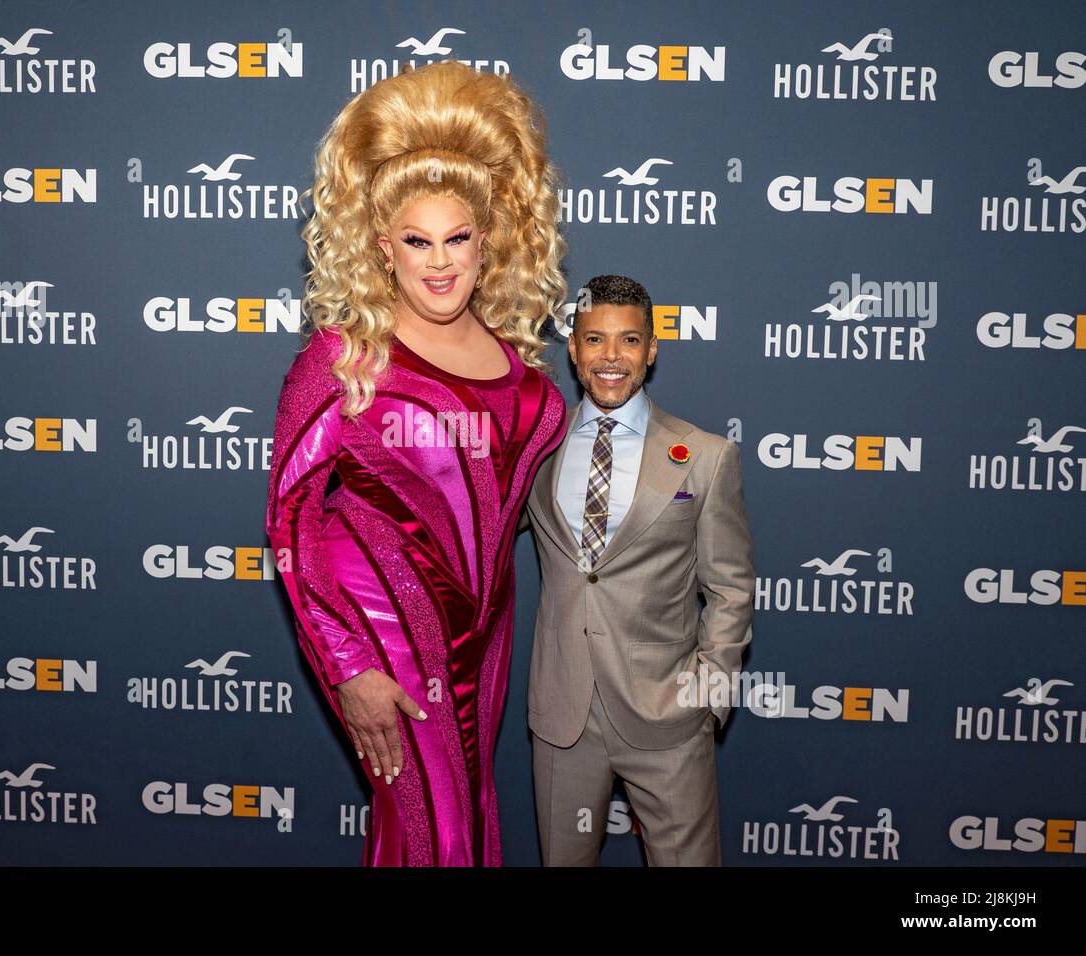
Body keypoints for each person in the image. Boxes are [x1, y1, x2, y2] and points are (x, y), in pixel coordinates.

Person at [266, 61, 569, 866]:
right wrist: (348, 666)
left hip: (487, 634)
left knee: (464, 819)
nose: (440, 263)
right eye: (417, 240)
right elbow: (291, 520)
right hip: (385, 640)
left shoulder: (526, 376)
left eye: (458, 238)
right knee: (431, 829)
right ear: (381, 247)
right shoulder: (345, 361)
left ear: (487, 240)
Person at [517, 274, 755, 866]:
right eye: (595, 340)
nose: (611, 358)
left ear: (651, 350)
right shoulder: (533, 446)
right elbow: (470, 531)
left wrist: (708, 696)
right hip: (562, 714)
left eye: (628, 341)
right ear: (572, 349)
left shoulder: (704, 455)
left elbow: (730, 587)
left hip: (668, 716)